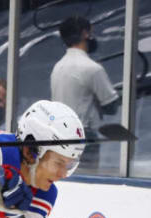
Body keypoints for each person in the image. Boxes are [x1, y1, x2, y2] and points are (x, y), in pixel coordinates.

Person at [51, 15, 119, 170]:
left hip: (59, 135)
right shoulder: (92, 68)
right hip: (84, 136)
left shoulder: (57, 67)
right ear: (84, 34)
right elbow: (111, 106)